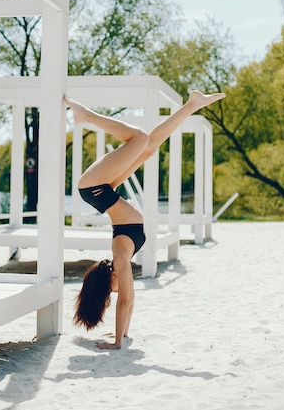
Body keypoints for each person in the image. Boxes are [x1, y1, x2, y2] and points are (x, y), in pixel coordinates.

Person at [65, 90, 225, 350]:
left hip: (94, 188)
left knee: (137, 138)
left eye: (111, 290)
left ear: (110, 278)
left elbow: (125, 300)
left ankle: (86, 116)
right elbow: (131, 298)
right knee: (148, 147)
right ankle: (190, 106)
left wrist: (117, 343)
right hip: (104, 191)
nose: (117, 291)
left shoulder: (119, 255)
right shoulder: (121, 259)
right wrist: (123, 335)